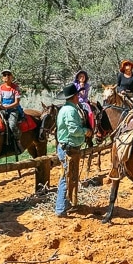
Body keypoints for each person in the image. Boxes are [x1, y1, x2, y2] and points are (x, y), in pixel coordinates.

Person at [55, 83, 93, 217]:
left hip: (67, 147)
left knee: (68, 176)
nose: (79, 96)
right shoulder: (71, 111)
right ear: (74, 96)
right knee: (66, 178)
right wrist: (86, 131)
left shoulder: (65, 109)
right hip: (69, 148)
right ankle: (60, 208)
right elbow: (74, 130)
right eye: (77, 94)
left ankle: (66, 204)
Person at [0, 69, 24, 154]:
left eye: (8, 75)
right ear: (2, 78)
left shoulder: (15, 87)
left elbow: (17, 102)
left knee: (12, 125)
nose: (7, 77)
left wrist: (6, 107)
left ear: (12, 77)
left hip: (13, 109)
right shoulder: (1, 87)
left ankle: (17, 140)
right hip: (3, 108)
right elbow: (0, 99)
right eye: (4, 75)